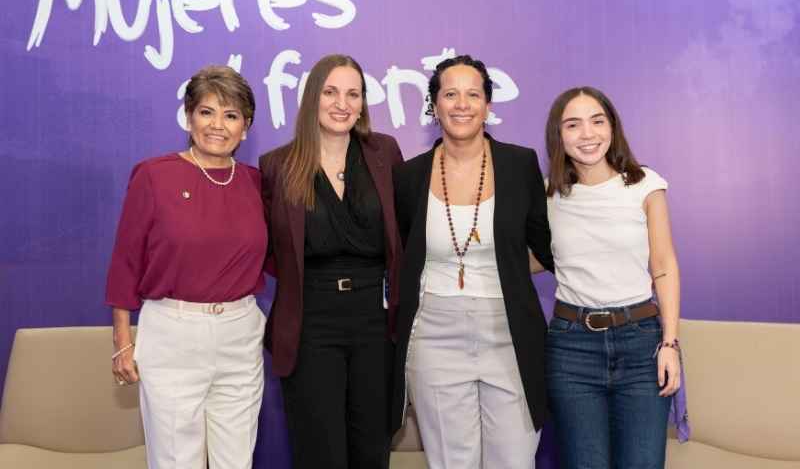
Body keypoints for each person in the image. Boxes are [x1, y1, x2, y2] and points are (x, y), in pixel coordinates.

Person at [391, 55, 554, 469]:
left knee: (515, 461)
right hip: (434, 334)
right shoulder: (409, 177)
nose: (461, 104)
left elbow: (545, 248)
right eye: (450, 94)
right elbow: (406, 255)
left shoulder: (520, 165)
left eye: (473, 94)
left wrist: (511, 269)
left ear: (488, 106)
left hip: (509, 331)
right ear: (434, 105)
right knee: (452, 462)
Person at [105, 65, 267, 469]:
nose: (218, 125)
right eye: (206, 112)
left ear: (245, 127)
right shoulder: (154, 176)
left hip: (241, 334)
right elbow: (126, 260)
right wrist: (123, 340)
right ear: (189, 117)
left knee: (236, 461)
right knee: (176, 460)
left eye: (231, 116)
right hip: (173, 334)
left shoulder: (257, 183)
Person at [259, 54, 403, 469]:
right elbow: (271, 250)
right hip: (310, 324)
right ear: (312, 98)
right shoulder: (278, 164)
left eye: (353, 94)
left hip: (375, 324)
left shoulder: (384, 152)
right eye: (331, 92)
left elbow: (404, 233)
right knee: (318, 453)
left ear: (363, 103)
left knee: (371, 450)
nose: (342, 103)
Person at [543, 86, 682, 469]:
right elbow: (533, 259)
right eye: (573, 124)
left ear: (612, 127)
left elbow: (664, 266)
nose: (587, 134)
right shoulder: (549, 196)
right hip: (571, 349)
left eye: (597, 121)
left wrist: (670, 343)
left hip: (641, 345)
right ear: (559, 135)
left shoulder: (645, 185)